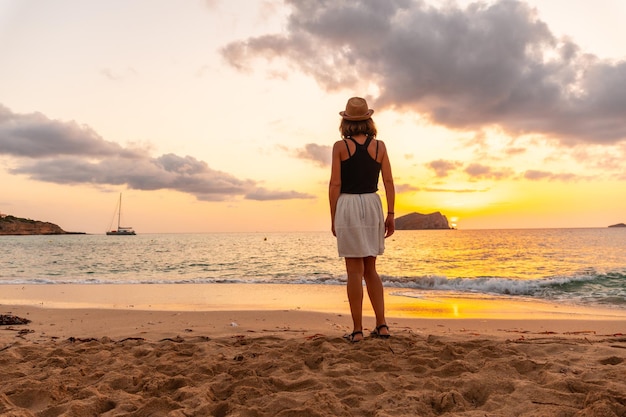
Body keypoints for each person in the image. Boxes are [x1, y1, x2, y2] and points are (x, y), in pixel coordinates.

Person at [329, 97, 395, 342]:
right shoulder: (380, 147)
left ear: (345, 122)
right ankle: (382, 325)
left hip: (348, 204)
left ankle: (357, 330)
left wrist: (333, 215)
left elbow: (335, 183)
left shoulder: (339, 147)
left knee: (353, 271)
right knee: (371, 269)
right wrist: (391, 214)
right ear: (368, 120)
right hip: (372, 203)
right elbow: (388, 182)